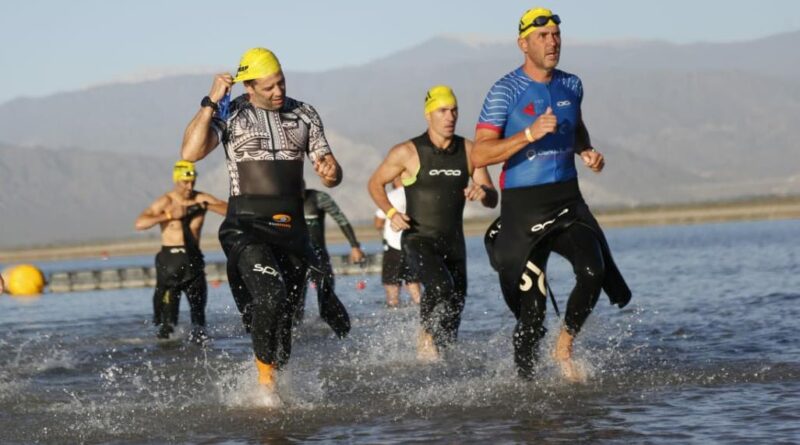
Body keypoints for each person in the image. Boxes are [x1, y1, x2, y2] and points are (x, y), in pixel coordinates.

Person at [471, 7, 632, 381]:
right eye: (542, 36)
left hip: (567, 201)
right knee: (532, 314)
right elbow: (479, 154)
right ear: (523, 44)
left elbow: (576, 127)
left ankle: (564, 347)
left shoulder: (572, 85)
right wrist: (528, 135)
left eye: (556, 35)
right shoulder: (505, 90)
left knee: (593, 272)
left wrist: (586, 150)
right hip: (523, 209)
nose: (552, 42)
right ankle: (525, 385)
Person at [180, 47, 343, 399]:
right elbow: (190, 152)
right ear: (249, 87)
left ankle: (275, 383)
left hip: (292, 232)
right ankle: (265, 388)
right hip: (246, 227)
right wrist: (210, 101)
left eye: (281, 82)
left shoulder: (304, 114)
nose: (278, 91)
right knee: (271, 296)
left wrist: (331, 173)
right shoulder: (231, 112)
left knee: (286, 320)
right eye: (269, 87)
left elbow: (331, 171)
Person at [368, 85, 498, 361]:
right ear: (428, 115)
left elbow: (492, 197)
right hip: (418, 239)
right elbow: (375, 184)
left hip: (454, 244)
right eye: (442, 111)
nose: (450, 116)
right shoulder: (407, 152)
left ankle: (443, 367)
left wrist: (484, 192)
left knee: (453, 313)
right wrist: (391, 213)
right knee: (440, 287)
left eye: (454, 110)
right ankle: (425, 338)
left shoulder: (470, 150)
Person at [134, 160, 228, 343]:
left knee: (199, 320)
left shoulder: (201, 198)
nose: (189, 186)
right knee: (168, 325)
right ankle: (167, 352)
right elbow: (140, 223)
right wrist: (169, 215)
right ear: (176, 180)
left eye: (193, 181)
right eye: (185, 182)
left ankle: (199, 351)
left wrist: (205, 206)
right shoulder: (166, 201)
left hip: (194, 264)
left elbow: (229, 210)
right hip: (170, 266)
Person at [295, 186, 365, 336]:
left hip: (319, 257)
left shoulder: (318, 197)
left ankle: (336, 336)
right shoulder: (283, 199)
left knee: (327, 298)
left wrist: (354, 246)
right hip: (295, 259)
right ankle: (296, 335)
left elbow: (341, 219)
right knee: (296, 304)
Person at [373, 177, 421, 307]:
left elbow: (378, 223)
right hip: (414, 245)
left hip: (394, 246)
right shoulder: (417, 194)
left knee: (392, 287)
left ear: (395, 181)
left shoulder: (391, 196)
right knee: (414, 284)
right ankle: (423, 311)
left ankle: (393, 311)